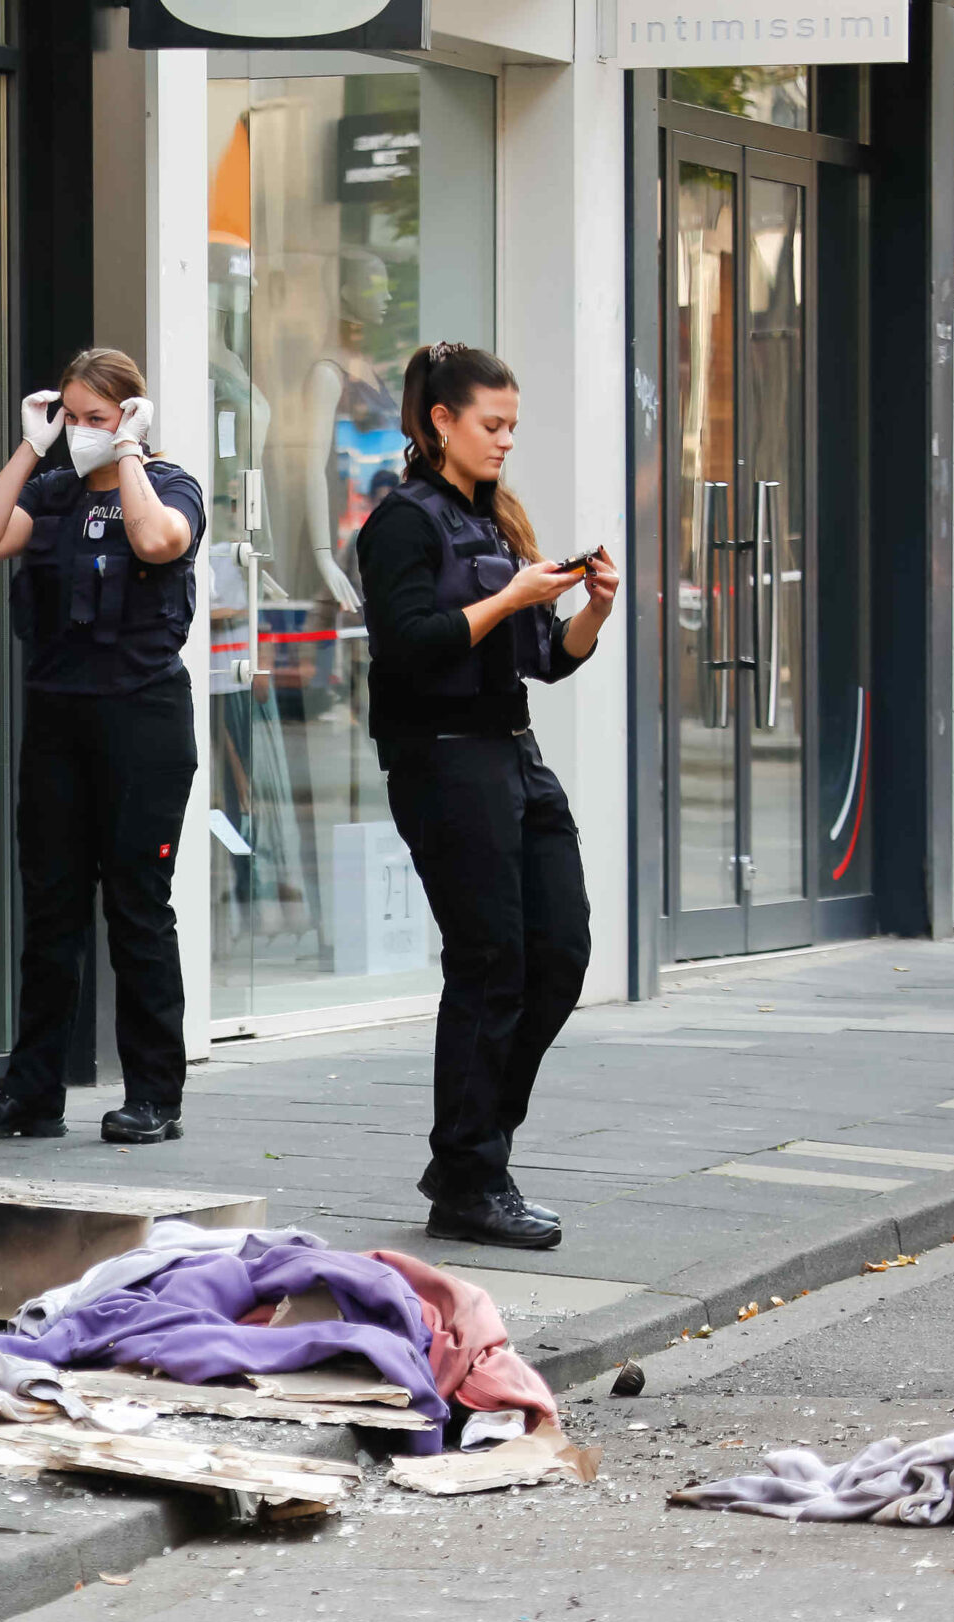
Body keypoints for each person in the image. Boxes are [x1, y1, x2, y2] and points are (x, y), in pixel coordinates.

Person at [357, 342, 618, 1251]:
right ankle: (470, 1176)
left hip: (514, 754)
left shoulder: (498, 519)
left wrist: (588, 609)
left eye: (513, 426)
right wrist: (508, 600)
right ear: (441, 423)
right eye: (492, 425)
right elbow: (412, 646)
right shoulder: (401, 522)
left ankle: (473, 1156)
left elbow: (546, 658)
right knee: (489, 964)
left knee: (562, 951)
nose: (507, 441)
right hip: (441, 760)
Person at [0, 349, 204, 1145]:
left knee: (137, 906)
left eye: (100, 417)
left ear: (133, 415)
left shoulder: (170, 486)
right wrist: (33, 447)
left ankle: (154, 1096)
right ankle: (33, 1096)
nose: (83, 431)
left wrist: (125, 452)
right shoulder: (53, 492)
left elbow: (159, 542)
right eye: (74, 417)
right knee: (52, 909)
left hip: (143, 717)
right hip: (59, 718)